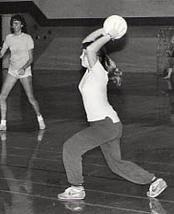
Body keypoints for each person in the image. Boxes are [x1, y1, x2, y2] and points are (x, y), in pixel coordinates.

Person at [58, 27, 167, 200]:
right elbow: (86, 43)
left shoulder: (98, 72)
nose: (81, 57)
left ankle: (76, 187)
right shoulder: (90, 72)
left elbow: (91, 48)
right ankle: (154, 180)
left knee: (71, 148)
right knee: (116, 165)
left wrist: (109, 35)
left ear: (95, 57)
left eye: (83, 55)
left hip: (105, 124)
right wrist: (104, 28)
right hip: (108, 124)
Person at [0, 14, 45, 132]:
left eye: (16, 23)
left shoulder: (27, 38)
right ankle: (3, 124)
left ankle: (40, 119)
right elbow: (1, 55)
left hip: (25, 71)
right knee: (2, 96)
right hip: (12, 70)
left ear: (21, 25)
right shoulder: (9, 38)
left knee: (31, 98)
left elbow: (31, 58)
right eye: (13, 23)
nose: (14, 25)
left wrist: (23, 68)